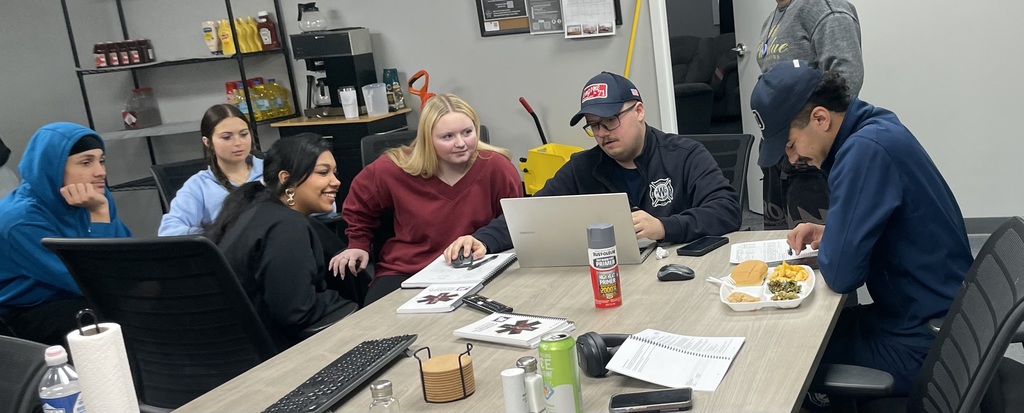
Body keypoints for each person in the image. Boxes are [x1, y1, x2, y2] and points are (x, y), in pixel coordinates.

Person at [751, 60, 972, 400]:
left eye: (791, 145)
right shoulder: (877, 126)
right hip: (932, 319)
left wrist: (838, 239)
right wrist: (832, 231)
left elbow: (842, 276)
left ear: (820, 119)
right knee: (804, 333)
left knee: (783, 359)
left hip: (924, 344)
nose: (792, 160)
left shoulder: (863, 152)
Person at [447, 72, 741, 261]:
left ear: (639, 111)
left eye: (610, 121)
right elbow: (533, 214)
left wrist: (665, 226)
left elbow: (727, 210)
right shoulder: (583, 167)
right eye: (594, 126)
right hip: (612, 276)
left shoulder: (685, 155)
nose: (602, 133)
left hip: (681, 271)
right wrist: (482, 239)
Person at [332, 93, 522, 305]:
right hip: (408, 270)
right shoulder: (392, 168)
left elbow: (513, 222)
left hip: (474, 266)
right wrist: (357, 243)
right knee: (375, 320)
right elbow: (359, 206)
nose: (461, 143)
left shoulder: (497, 167)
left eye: (467, 132)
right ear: (427, 139)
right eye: (447, 137)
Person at [205, 134, 355, 349]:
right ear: (286, 178)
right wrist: (347, 303)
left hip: (233, 348)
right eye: (323, 173)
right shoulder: (285, 226)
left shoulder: (255, 210)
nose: (336, 181)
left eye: (335, 173)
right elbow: (297, 311)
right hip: (273, 354)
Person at [0, 122, 132, 345]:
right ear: (54, 166)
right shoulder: (19, 220)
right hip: (31, 310)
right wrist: (99, 214)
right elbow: (96, 282)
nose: (100, 172)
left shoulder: (94, 195)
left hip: (87, 290)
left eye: (101, 161)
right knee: (111, 323)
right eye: (86, 162)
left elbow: (128, 254)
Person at [758, 0, 863, 230]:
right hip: (780, 144)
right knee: (781, 238)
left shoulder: (823, 8)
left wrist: (810, 140)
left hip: (810, 155)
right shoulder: (772, 19)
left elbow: (846, 82)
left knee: (815, 243)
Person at [158, 104, 263, 235]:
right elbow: (168, 231)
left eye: (243, 134)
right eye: (226, 137)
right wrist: (216, 233)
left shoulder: (272, 170)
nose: (238, 143)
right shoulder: (199, 186)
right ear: (208, 142)